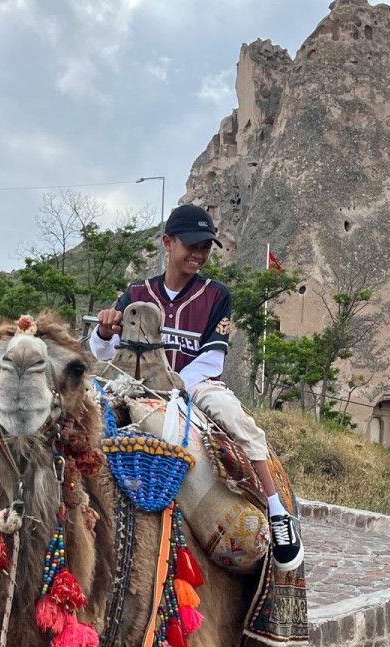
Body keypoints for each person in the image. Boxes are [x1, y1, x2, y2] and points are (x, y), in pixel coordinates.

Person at [91, 203, 303, 571]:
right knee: (82, 411)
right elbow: (105, 353)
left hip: (195, 386)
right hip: (134, 384)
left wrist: (173, 387)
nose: (199, 254)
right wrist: (105, 331)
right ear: (167, 243)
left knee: (236, 419)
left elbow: (212, 359)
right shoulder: (137, 292)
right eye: (191, 245)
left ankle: (276, 510)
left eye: (205, 247)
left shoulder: (216, 295)